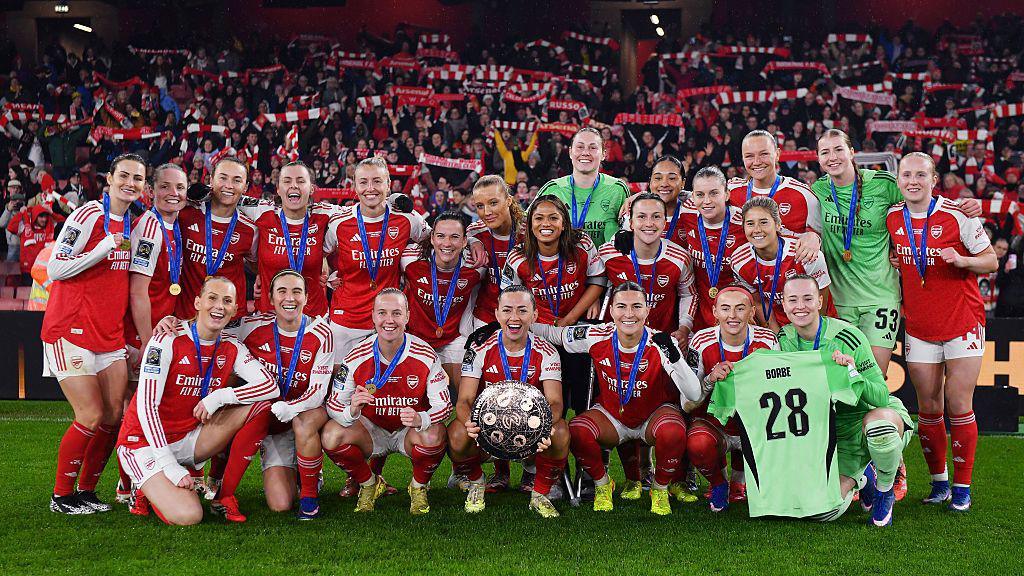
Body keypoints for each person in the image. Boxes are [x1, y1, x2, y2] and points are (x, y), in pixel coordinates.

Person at [116, 276, 278, 525]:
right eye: (212, 298)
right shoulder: (166, 339)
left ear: (235, 309)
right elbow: (146, 406)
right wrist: (169, 466)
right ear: (197, 302)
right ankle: (143, 486)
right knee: (190, 515)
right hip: (144, 443)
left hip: (189, 439)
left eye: (227, 301)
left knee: (260, 408)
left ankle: (223, 496)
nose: (219, 306)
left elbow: (269, 386)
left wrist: (219, 397)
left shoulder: (231, 346)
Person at [885, 152, 997, 511]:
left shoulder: (957, 215)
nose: (913, 181)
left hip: (962, 322)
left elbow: (991, 261)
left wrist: (963, 260)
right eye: (906, 175)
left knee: (959, 404)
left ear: (934, 179)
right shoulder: (892, 218)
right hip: (919, 326)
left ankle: (963, 488)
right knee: (929, 408)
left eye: (921, 174)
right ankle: (939, 483)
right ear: (898, 180)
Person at [42, 153, 145, 515]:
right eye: (125, 176)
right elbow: (55, 267)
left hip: (109, 335)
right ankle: (61, 496)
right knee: (90, 414)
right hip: (69, 328)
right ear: (110, 180)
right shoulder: (88, 215)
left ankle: (87, 492)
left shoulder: (136, 224)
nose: (130, 183)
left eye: (137, 178)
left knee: (113, 417)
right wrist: (100, 250)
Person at [541, 282, 700, 514]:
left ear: (647, 310)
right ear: (612, 310)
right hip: (613, 417)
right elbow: (554, 334)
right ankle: (603, 484)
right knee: (577, 430)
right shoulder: (596, 334)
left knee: (674, 429)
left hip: (652, 417)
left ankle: (660, 488)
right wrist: (507, 327)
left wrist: (674, 356)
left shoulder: (662, 342)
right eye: (621, 306)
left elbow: (694, 394)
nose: (629, 314)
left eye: (637, 306)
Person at [777, 274, 915, 527]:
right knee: (821, 512)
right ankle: (863, 478)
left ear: (820, 301)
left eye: (808, 298)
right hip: (823, 437)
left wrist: (853, 373)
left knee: (879, 428)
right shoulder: (782, 342)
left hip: (864, 421)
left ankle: (885, 490)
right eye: (793, 299)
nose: (800, 306)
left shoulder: (848, 336)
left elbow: (881, 396)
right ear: (783, 304)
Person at [322, 288, 452, 515]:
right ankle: (369, 483)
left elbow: (444, 404)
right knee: (331, 435)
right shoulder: (356, 355)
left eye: (396, 313)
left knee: (435, 434)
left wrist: (422, 417)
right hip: (371, 430)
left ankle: (418, 487)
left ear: (407, 317)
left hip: (408, 431)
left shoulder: (425, 354)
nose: (389, 320)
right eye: (382, 313)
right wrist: (351, 410)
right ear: (373, 316)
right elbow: (334, 404)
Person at [450, 286, 566, 517]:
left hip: (530, 431)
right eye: (507, 310)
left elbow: (555, 403)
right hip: (488, 431)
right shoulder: (479, 347)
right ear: (497, 314)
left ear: (534, 316)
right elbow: (464, 400)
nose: (514, 318)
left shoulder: (547, 351)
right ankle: (476, 483)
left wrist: (542, 429)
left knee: (560, 431)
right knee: (457, 433)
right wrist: (471, 424)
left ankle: (540, 493)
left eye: (522, 311)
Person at [237, 270, 335, 519]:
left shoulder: (322, 333)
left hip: (306, 413)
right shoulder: (251, 328)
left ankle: (310, 494)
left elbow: (318, 391)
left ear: (306, 297)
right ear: (270, 298)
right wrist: (174, 324)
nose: (289, 298)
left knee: (303, 423)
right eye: (282, 291)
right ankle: (216, 482)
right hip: (272, 422)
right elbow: (209, 331)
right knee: (279, 504)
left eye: (296, 292)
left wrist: (290, 409)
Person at [501, 195, 606, 417]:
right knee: (539, 399)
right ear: (529, 225)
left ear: (564, 223)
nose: (545, 224)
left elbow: (597, 281)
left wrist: (570, 318)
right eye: (538, 218)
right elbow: (509, 298)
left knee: (582, 397)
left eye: (553, 218)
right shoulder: (518, 256)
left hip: (574, 326)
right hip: (537, 329)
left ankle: (585, 437)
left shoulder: (582, 245)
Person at [684, 286, 777, 511]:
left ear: (752, 311)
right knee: (698, 443)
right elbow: (687, 402)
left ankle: (740, 482)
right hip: (716, 424)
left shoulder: (767, 340)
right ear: (715, 312)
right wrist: (710, 379)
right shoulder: (701, 340)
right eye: (725, 309)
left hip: (756, 424)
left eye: (740, 308)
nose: (732, 316)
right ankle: (719, 483)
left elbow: (778, 388)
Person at [327, 157, 430, 360]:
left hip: (388, 319)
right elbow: (318, 252)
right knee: (340, 383)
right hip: (346, 318)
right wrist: (327, 273)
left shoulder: (407, 219)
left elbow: (435, 240)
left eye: (377, 181)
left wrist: (473, 242)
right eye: (363, 182)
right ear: (355, 186)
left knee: (385, 383)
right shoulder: (339, 223)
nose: (370, 188)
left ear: (388, 184)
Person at [240, 161, 339, 318]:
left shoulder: (323, 213)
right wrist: (261, 273)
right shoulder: (263, 211)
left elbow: (362, 210)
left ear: (312, 188)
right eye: (287, 181)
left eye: (301, 181)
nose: (294, 185)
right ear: (278, 189)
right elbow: (224, 195)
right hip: (268, 316)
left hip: (311, 317)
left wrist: (392, 199)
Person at [400, 211, 485, 387]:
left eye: (455, 237)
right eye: (440, 236)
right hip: (415, 337)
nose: (446, 243)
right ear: (432, 238)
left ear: (463, 241)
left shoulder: (476, 264)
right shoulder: (410, 258)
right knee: (412, 390)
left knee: (466, 390)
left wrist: (475, 241)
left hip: (453, 339)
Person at [599, 192, 695, 341]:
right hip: (617, 342)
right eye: (641, 216)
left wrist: (684, 328)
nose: (649, 223)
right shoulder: (608, 254)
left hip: (662, 342)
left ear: (664, 223)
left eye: (656, 216)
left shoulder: (680, 258)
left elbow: (689, 294)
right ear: (630, 223)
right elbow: (593, 283)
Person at [730, 196, 835, 331]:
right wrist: (777, 334)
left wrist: (813, 333)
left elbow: (822, 299)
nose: (757, 229)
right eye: (750, 223)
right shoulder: (739, 261)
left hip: (819, 322)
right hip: (781, 327)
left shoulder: (805, 253)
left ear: (778, 225)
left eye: (763, 222)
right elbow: (759, 303)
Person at [175, 156, 258, 322]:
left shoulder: (250, 229)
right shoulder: (185, 213)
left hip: (229, 320)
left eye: (237, 180)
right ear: (211, 180)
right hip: (186, 315)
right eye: (223, 178)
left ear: (245, 187)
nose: (229, 185)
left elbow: (258, 267)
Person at [677, 167, 747, 332]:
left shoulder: (744, 222)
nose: (706, 201)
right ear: (693, 196)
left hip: (735, 315)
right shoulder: (687, 210)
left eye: (714, 193)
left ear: (727, 194)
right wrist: (632, 198)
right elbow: (659, 198)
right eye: (700, 194)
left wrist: (811, 237)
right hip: (699, 313)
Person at [538, 127, 629, 246]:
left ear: (603, 154)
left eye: (593, 147)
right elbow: (526, 226)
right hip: (562, 263)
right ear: (570, 152)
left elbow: (629, 230)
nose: (585, 152)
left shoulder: (617, 189)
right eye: (580, 147)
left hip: (606, 263)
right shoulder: (552, 189)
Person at [729, 130, 823, 239]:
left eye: (764, 154)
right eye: (749, 156)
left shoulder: (804, 195)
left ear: (777, 154)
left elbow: (817, 240)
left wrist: (815, 238)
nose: (757, 161)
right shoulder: (730, 192)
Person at [467, 175, 525, 327]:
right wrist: (471, 242)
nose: (487, 212)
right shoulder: (474, 233)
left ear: (508, 201)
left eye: (493, 203)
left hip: (525, 316)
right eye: (480, 206)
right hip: (486, 317)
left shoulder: (531, 231)